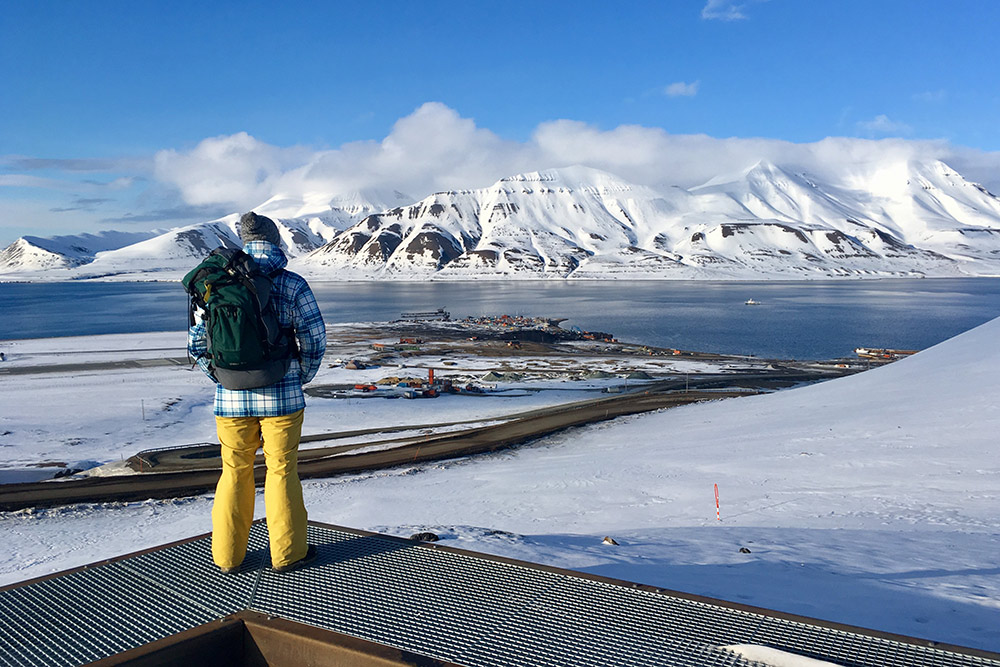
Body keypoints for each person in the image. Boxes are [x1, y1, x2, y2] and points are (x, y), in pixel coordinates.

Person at [188, 211, 326, 574]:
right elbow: (314, 339)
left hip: (231, 400)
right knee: (282, 472)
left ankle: (227, 557)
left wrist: (222, 378)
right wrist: (300, 376)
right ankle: (288, 553)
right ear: (277, 241)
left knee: (234, 472)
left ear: (245, 242)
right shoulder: (292, 284)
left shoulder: (215, 283)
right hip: (283, 399)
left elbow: (197, 344)